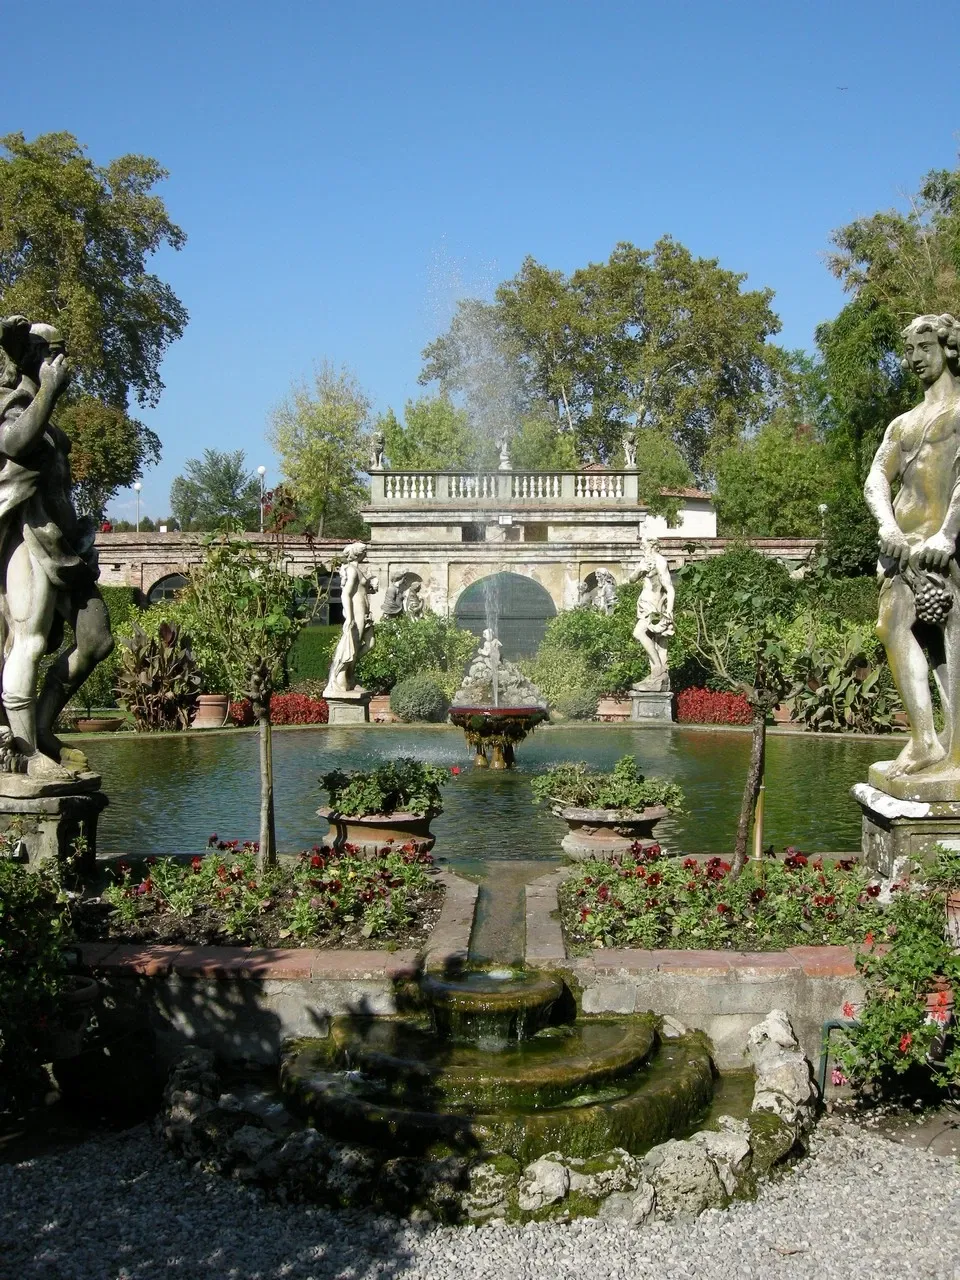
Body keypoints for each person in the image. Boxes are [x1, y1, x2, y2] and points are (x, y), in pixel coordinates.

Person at [0, 316, 113, 776]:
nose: (63, 361)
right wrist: (47, 389)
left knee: (97, 640)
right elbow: (13, 443)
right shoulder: (14, 400)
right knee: (27, 641)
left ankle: (43, 728)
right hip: (33, 538)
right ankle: (27, 751)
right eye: (54, 352)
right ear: (30, 356)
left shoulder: (44, 413)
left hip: (66, 547)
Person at [865, 312, 960, 779]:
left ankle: (955, 749)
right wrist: (887, 527)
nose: (915, 358)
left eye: (925, 347)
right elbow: (875, 480)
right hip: (902, 551)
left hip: (946, 548)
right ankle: (924, 739)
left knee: (953, 644)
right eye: (909, 351)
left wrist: (948, 533)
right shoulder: (902, 424)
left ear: (947, 348)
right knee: (891, 627)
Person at [324, 542, 378, 695]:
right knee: (351, 645)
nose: (366, 553)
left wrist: (370, 588)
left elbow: (360, 590)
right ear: (357, 553)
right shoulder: (352, 570)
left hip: (365, 612)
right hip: (357, 611)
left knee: (370, 644)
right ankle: (343, 678)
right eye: (364, 551)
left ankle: (349, 676)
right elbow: (345, 594)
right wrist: (349, 616)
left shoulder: (357, 570)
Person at [628, 537, 675, 691]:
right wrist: (640, 569)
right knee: (653, 640)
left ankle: (658, 669)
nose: (641, 548)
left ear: (653, 545)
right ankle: (657, 674)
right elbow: (631, 579)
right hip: (644, 605)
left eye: (643, 545)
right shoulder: (645, 561)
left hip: (654, 606)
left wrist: (669, 610)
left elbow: (669, 588)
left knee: (639, 633)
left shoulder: (660, 561)